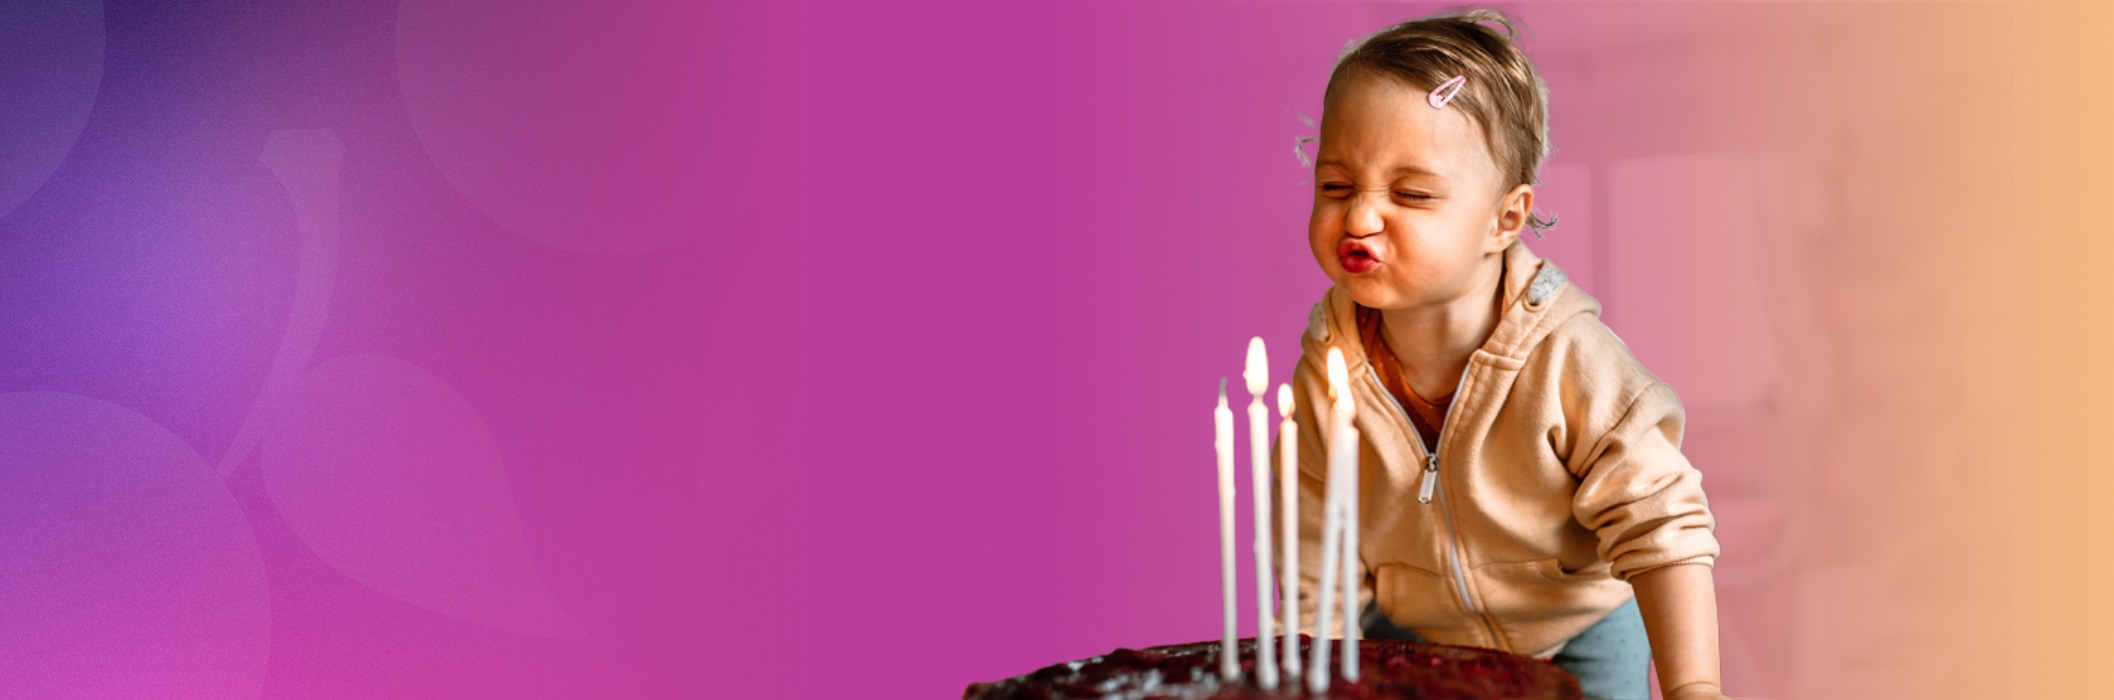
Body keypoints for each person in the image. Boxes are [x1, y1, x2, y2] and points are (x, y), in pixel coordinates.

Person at [1275, 9, 1728, 700]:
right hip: (1415, 639)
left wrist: (1695, 685)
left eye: (1411, 194)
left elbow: (1663, 525)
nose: (1360, 217)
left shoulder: (1571, 359)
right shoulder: (1327, 371)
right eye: (1335, 186)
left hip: (1582, 633)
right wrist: (1306, 675)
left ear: (1505, 219)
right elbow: (1317, 547)